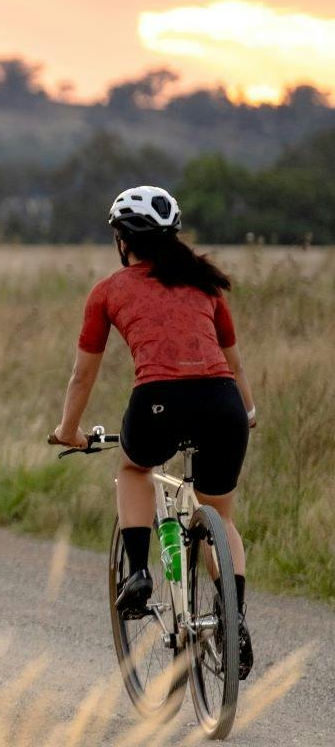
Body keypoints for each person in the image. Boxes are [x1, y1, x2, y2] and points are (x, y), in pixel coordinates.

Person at [50, 185, 258, 678]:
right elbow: (235, 365)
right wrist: (247, 412)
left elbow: (82, 376)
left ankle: (140, 573)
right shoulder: (206, 286)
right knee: (218, 518)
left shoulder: (108, 291)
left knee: (133, 466)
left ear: (123, 240)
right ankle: (236, 620)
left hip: (159, 402)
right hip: (224, 405)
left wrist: (69, 431)